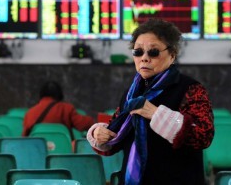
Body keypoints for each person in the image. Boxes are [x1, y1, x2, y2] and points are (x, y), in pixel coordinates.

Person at [87, 18, 215, 185]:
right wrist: (99, 134)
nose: (144, 58)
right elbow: (115, 135)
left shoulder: (190, 88)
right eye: (138, 52)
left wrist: (156, 114)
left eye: (153, 52)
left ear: (172, 55)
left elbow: (203, 136)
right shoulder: (131, 93)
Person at [22, 81, 95, 138]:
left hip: (38, 153)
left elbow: (25, 138)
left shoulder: (30, 113)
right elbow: (83, 125)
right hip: (63, 152)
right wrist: (92, 120)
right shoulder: (66, 109)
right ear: (60, 95)